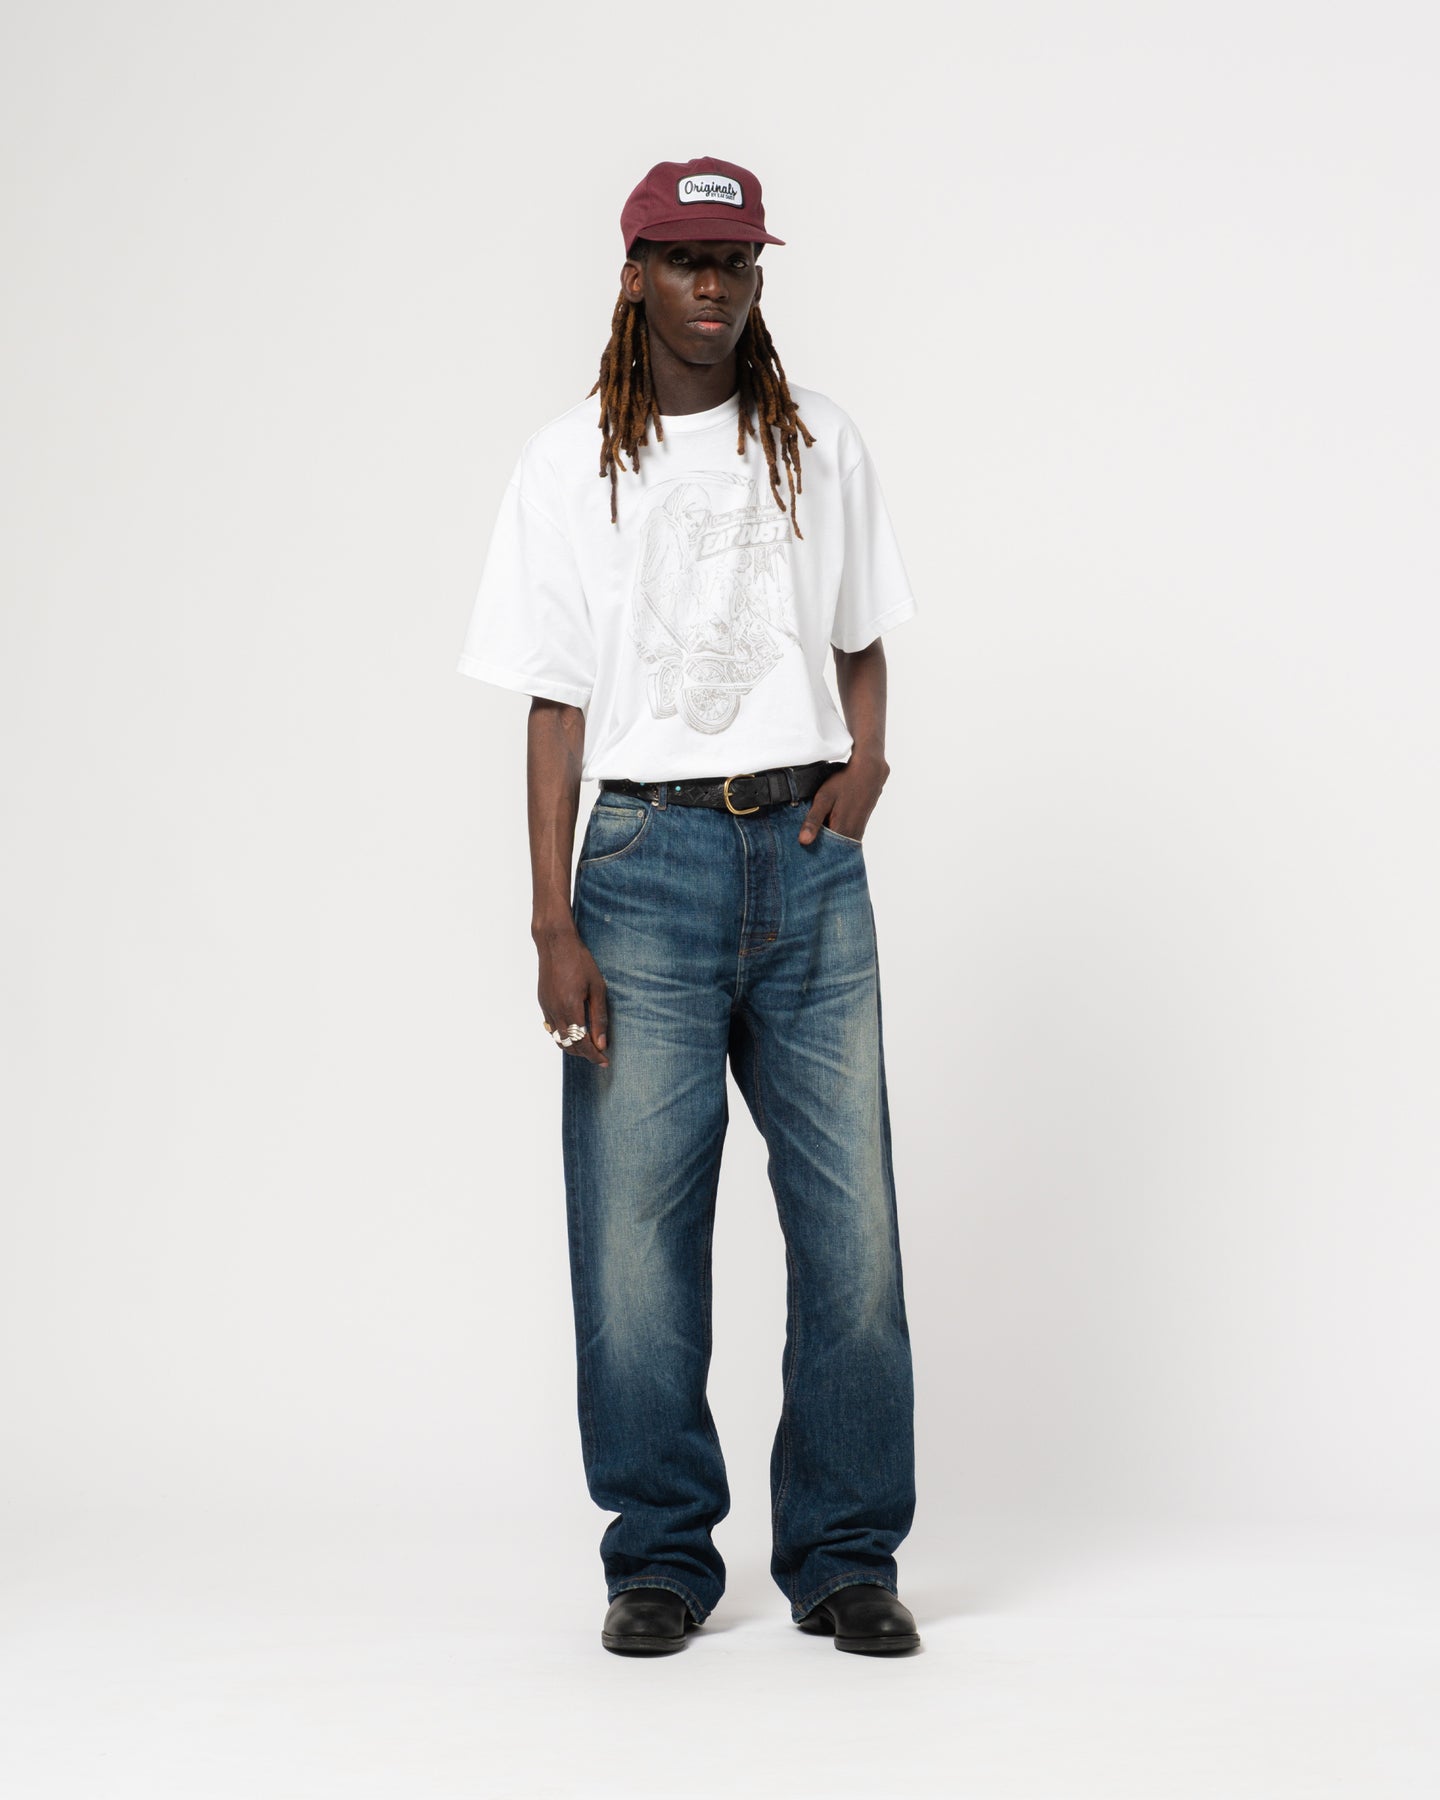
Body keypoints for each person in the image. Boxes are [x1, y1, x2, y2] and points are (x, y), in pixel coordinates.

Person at [457, 156, 921, 1657]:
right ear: (635, 276)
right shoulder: (569, 465)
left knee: (850, 1228)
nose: (709, 285)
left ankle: (846, 1554)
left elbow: (861, 637)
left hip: (806, 858)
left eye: (732, 261)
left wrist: (866, 765)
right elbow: (552, 707)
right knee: (636, 1241)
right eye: (681, 259)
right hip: (642, 867)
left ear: (757, 277)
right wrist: (552, 923)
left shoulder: (818, 445)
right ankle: (657, 1556)